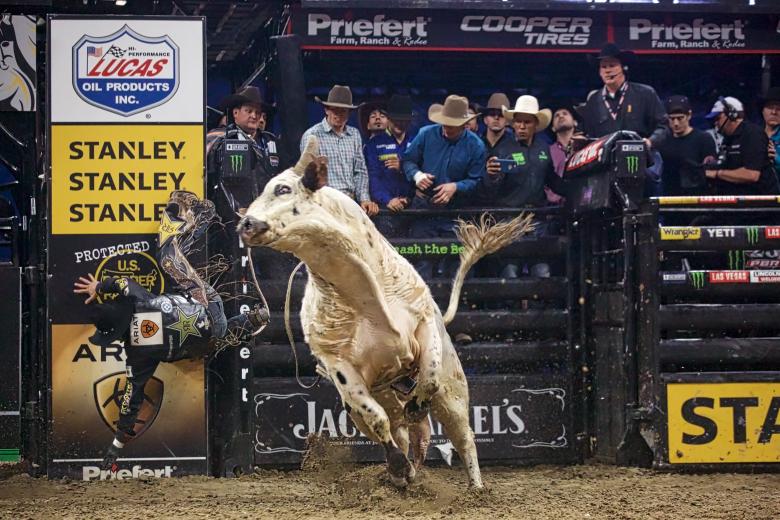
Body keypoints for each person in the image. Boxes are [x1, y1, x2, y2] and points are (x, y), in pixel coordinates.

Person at [73, 191, 268, 473]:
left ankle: (248, 321)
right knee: (166, 256)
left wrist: (116, 446)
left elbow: (131, 398)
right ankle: (188, 213)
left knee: (195, 349)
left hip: (214, 333)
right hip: (207, 303)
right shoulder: (137, 300)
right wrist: (99, 287)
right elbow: (123, 283)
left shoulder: (137, 356)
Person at [402, 95, 486, 278]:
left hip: (456, 213)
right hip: (424, 209)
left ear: (465, 124)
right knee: (421, 261)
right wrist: (417, 175)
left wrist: (456, 186)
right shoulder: (426, 134)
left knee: (456, 264)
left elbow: (477, 181)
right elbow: (408, 160)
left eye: (452, 125)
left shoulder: (476, 146)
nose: (447, 128)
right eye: (445, 123)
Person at [579, 43, 667, 194]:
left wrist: (650, 141)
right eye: (603, 66)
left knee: (650, 182)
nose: (608, 70)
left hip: (642, 159)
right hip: (606, 164)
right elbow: (586, 133)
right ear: (599, 72)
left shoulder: (645, 93)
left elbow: (663, 126)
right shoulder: (593, 101)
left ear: (623, 68)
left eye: (612, 65)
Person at [300, 85, 379, 216]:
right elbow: (308, 176)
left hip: (350, 202)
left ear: (349, 113)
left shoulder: (354, 135)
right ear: (327, 110)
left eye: (343, 111)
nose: (339, 115)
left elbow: (360, 171)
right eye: (335, 110)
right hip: (324, 205)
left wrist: (364, 198)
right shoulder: (312, 135)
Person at [206, 86, 284, 196]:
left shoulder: (271, 141)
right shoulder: (221, 139)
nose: (254, 116)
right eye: (249, 111)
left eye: (258, 112)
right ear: (236, 113)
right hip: (235, 209)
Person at [704, 96, 779, 196]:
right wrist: (714, 163)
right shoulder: (728, 139)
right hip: (739, 200)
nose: (715, 123)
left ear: (731, 115)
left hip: (760, 202)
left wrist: (717, 173)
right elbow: (731, 165)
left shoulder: (753, 134)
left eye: (718, 118)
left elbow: (752, 175)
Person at [364, 94, 416, 236]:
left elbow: (423, 173)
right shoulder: (373, 144)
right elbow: (373, 177)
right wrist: (388, 200)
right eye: (396, 120)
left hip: (413, 209)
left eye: (404, 120)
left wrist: (403, 169)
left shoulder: (417, 142)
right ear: (389, 119)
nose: (400, 124)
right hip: (385, 210)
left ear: (410, 121)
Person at [656, 95, 717, 196]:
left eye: (680, 118)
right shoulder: (663, 141)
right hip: (669, 198)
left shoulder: (703, 139)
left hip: (697, 197)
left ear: (689, 115)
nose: (675, 123)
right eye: (672, 119)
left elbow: (710, 172)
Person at [547, 103, 585, 205]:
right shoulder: (547, 151)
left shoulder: (586, 147)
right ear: (553, 128)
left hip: (581, 204)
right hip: (554, 208)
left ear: (575, 122)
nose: (561, 116)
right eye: (557, 115)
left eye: (565, 113)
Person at [480, 92, 512, 157]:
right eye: (492, 114)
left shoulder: (515, 145)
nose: (496, 117)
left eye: (501, 115)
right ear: (485, 119)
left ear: (508, 121)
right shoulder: (475, 144)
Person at [761, 87, 780, 180]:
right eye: (770, 107)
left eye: (779, 109)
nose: (774, 112)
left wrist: (776, 158)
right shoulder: (753, 135)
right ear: (762, 111)